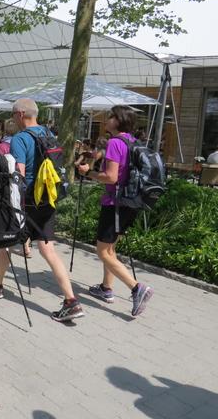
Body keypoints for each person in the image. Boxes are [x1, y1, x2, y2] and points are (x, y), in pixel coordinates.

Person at [0, 98, 84, 322]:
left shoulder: (20, 138)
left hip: (27, 202)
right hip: (48, 198)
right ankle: (71, 301)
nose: (12, 118)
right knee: (48, 249)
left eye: (12, 114)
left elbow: (18, 174)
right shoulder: (49, 134)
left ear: (20, 114)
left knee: (6, 241)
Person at [77, 105, 154, 317]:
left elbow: (111, 177)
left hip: (115, 204)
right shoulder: (132, 141)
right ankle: (106, 288)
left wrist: (88, 172)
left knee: (102, 251)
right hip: (130, 202)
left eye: (111, 116)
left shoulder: (114, 143)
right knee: (110, 249)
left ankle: (137, 288)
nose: (107, 118)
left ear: (118, 120)